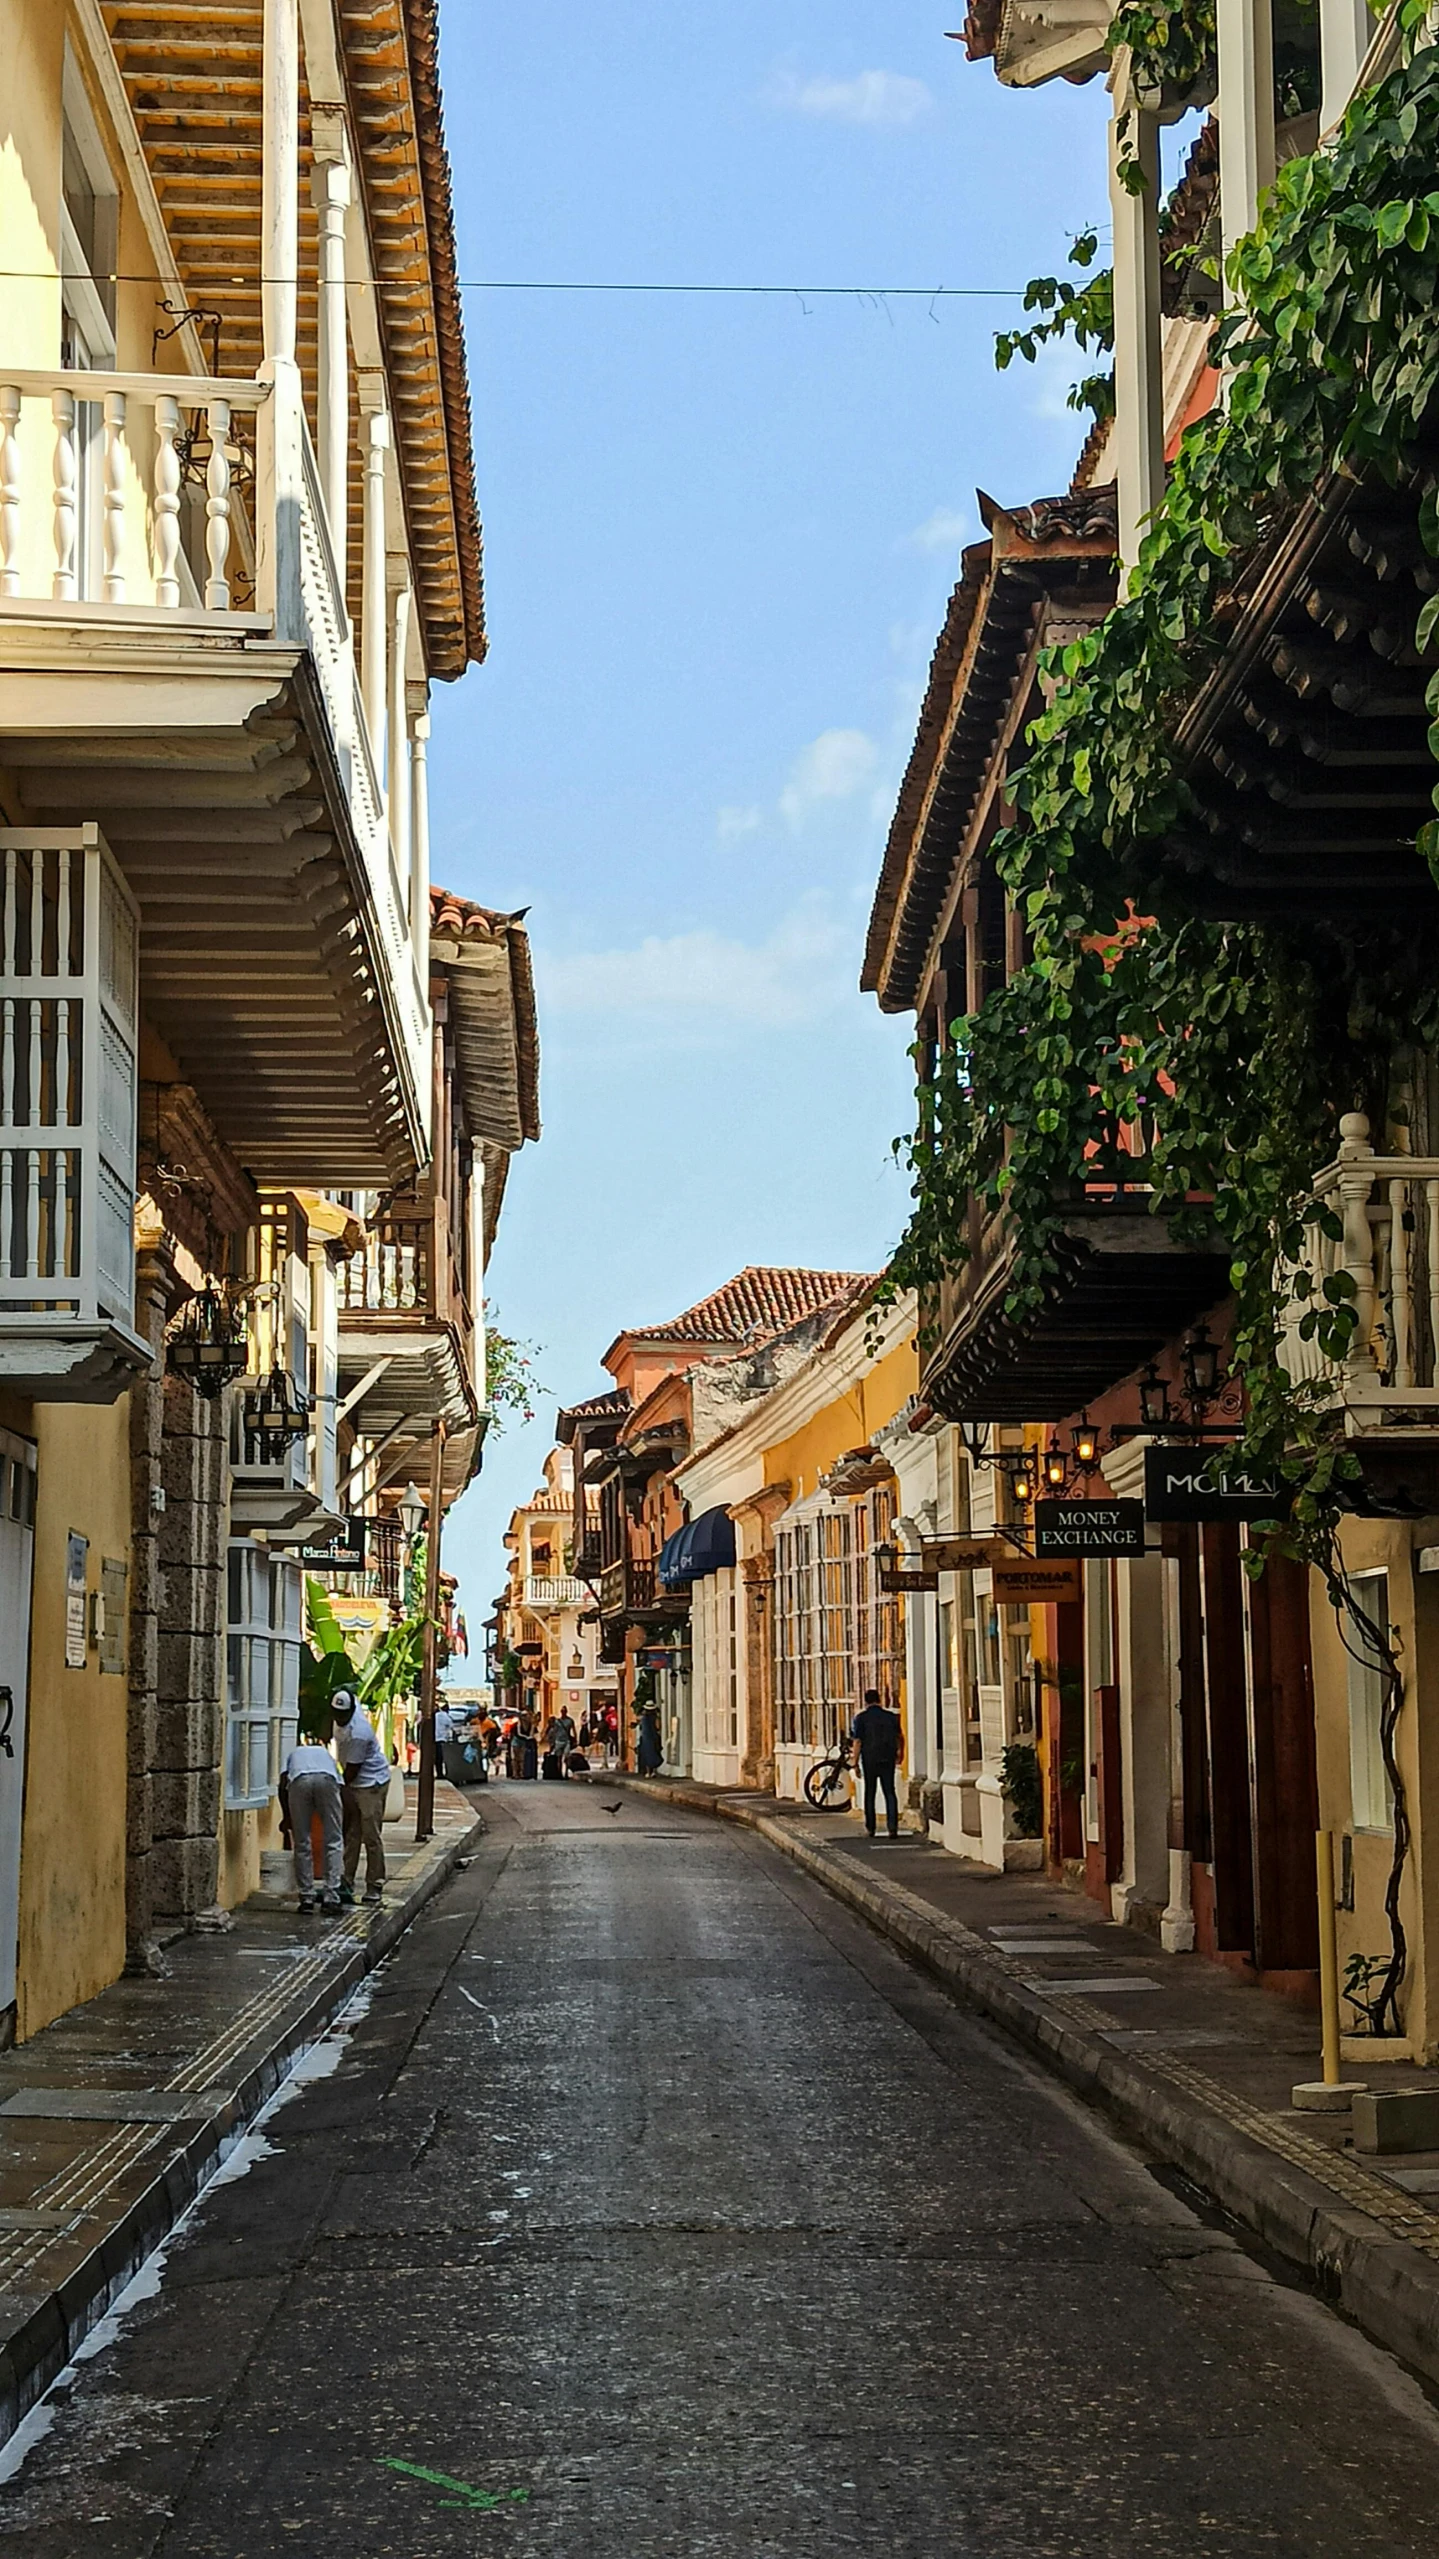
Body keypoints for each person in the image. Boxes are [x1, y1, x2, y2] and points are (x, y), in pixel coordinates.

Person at [330, 1687, 390, 1903]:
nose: (340, 1718)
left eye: (343, 1715)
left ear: (351, 1711)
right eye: (336, 1714)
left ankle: (375, 1885)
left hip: (371, 1783)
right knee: (351, 1834)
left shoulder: (359, 1733)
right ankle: (346, 1881)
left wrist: (338, 1790)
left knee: (370, 1835)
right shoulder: (345, 1708)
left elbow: (351, 1772)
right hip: (354, 1781)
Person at [279, 1735, 343, 1913]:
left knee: (302, 1841)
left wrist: (287, 1817)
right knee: (334, 1840)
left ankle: (306, 1897)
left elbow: (283, 1781)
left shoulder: (293, 1754)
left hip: (299, 1780)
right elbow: (339, 1785)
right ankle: (331, 1896)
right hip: (327, 1779)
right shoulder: (326, 1754)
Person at [851, 1686, 903, 1842]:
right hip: (888, 1757)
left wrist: (855, 1762)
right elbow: (900, 1737)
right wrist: (900, 1754)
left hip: (870, 1758)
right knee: (890, 1792)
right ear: (879, 1700)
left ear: (866, 1702)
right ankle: (892, 1828)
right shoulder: (891, 1717)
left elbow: (858, 1741)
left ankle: (870, 1828)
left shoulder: (861, 1718)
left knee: (870, 1792)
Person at [543, 1707, 576, 1779]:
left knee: (567, 1757)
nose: (563, 1712)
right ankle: (559, 1773)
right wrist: (550, 1740)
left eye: (564, 1711)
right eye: (562, 1711)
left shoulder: (570, 1721)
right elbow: (552, 1729)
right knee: (558, 1757)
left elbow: (573, 1730)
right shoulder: (557, 1721)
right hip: (558, 1741)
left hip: (566, 1740)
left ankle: (566, 1772)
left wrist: (575, 1739)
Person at [635, 1702, 663, 1776]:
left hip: (645, 1738)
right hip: (653, 1736)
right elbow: (658, 1727)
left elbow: (639, 1723)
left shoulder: (643, 1718)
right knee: (655, 1752)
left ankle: (648, 1772)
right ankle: (653, 1771)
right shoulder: (655, 1717)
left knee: (646, 1754)